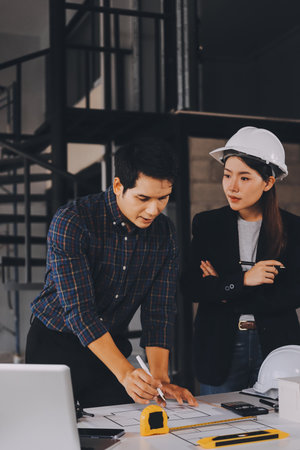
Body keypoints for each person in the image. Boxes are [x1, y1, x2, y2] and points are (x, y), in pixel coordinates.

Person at [26, 138, 197, 408]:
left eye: (163, 198)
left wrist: (160, 378)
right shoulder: (73, 221)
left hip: (111, 344)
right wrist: (126, 373)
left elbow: (159, 311)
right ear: (118, 185)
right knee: (53, 433)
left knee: (120, 433)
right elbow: (80, 312)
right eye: (143, 198)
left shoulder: (165, 234)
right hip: (55, 344)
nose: (154, 210)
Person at [182, 126, 300, 395]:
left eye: (244, 178)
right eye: (227, 176)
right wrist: (245, 280)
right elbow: (191, 287)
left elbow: (293, 294)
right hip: (221, 346)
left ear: (268, 182)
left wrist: (222, 289)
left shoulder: (294, 229)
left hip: (275, 346)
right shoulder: (208, 224)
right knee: (221, 426)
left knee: (279, 429)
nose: (232, 187)